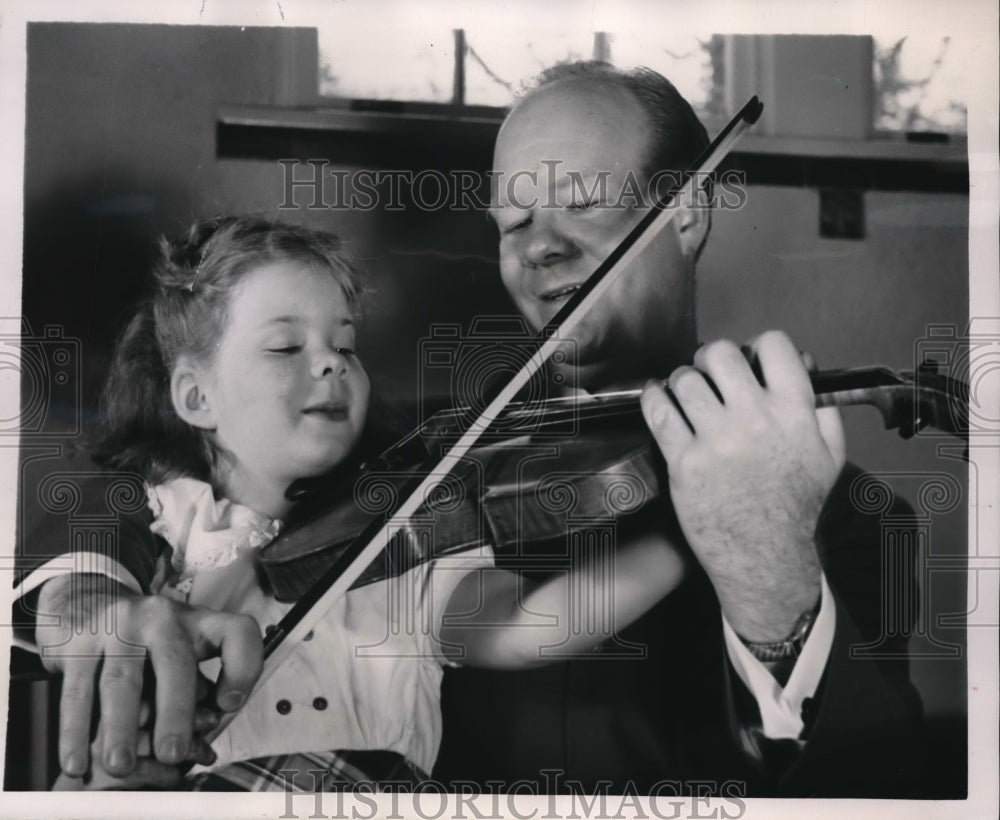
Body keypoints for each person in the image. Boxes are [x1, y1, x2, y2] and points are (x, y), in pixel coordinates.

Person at [13, 215, 687, 790]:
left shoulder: (406, 544)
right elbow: (84, 572)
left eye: (345, 344)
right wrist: (100, 606)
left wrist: (690, 532)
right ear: (196, 397)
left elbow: (530, 626)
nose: (332, 362)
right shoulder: (166, 519)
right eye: (285, 346)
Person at [431, 61, 923, 797]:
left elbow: (872, 782)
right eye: (514, 221)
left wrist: (769, 569)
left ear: (686, 215)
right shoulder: (443, 472)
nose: (539, 247)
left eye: (583, 198)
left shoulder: (851, 515)